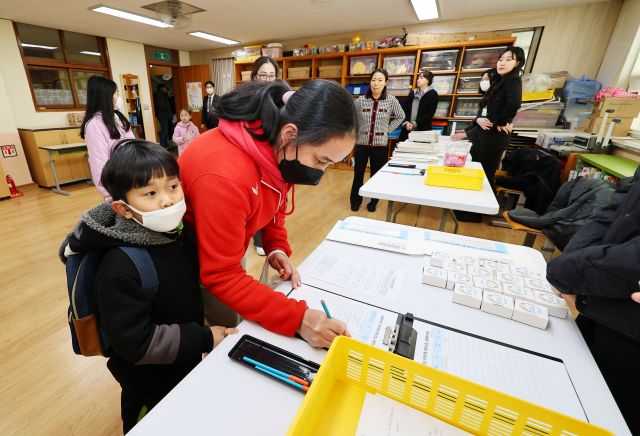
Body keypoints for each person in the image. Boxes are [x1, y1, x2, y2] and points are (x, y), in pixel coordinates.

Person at [59, 139, 237, 433]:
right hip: (147, 382)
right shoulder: (120, 266)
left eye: (172, 186)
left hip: (184, 361)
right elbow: (136, 343)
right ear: (123, 209)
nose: (167, 200)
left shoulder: (177, 235)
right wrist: (205, 338)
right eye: (150, 193)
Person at [179, 80, 356, 348]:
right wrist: (300, 319)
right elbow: (221, 275)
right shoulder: (225, 176)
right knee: (228, 333)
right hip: (192, 259)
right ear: (289, 134)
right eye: (321, 160)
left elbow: (275, 196)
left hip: (224, 248)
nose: (321, 171)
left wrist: (275, 246)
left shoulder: (277, 146)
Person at [547, 167, 640, 434]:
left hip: (628, 324)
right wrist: (571, 265)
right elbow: (619, 205)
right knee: (579, 398)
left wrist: (570, 271)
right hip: (602, 300)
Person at [451, 48, 524, 193]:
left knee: (485, 174)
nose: (502, 63)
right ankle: (470, 208)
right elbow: (487, 112)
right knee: (477, 171)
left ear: (518, 63)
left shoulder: (513, 81)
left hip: (493, 137)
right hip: (484, 135)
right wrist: (479, 120)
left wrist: (501, 122)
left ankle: (477, 212)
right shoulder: (500, 82)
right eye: (501, 59)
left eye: (509, 59)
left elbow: (514, 105)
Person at [350, 68, 405, 212]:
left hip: (380, 145)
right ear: (370, 82)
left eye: (380, 80)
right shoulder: (361, 100)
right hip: (361, 144)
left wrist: (388, 130)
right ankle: (356, 200)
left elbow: (401, 116)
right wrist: (355, 132)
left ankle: (373, 202)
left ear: (386, 82)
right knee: (358, 174)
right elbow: (352, 118)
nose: (376, 83)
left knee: (376, 175)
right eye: (373, 80)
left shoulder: (391, 100)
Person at [80, 75, 135, 199]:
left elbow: (132, 144)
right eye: (116, 93)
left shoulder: (118, 117)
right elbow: (98, 163)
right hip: (116, 185)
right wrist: (109, 193)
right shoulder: (94, 125)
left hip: (132, 176)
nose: (118, 97)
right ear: (106, 96)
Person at [250, 56, 281, 256]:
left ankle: (271, 237)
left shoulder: (280, 98)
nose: (268, 80)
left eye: (271, 76)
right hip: (252, 153)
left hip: (272, 154)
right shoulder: (248, 99)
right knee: (255, 198)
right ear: (254, 77)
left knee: (271, 198)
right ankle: (256, 236)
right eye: (263, 75)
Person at [399, 68, 438, 142]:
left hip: (423, 131)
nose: (418, 80)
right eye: (418, 78)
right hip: (407, 130)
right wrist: (406, 123)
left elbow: (430, 114)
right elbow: (404, 110)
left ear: (428, 80)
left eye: (421, 78)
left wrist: (414, 123)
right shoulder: (412, 93)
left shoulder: (433, 94)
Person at [154, 83, 173, 148]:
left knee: (166, 130)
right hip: (163, 115)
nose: (166, 89)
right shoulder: (160, 95)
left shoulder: (160, 94)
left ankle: (165, 144)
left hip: (162, 115)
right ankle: (163, 145)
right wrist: (168, 107)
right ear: (161, 88)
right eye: (165, 88)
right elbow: (162, 105)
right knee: (165, 130)